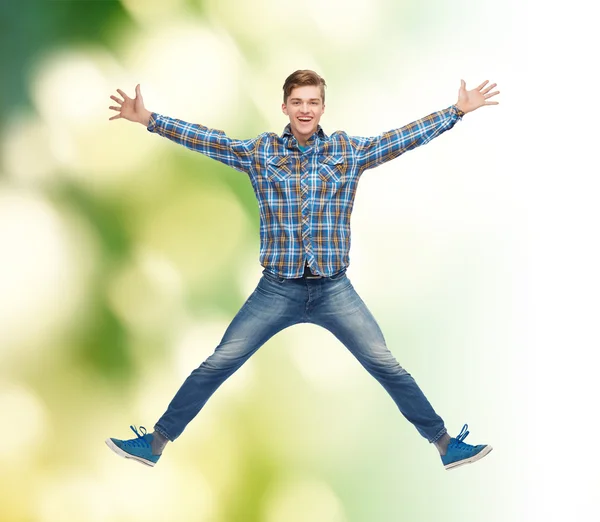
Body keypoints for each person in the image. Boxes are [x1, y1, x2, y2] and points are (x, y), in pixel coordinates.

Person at [105, 70, 499, 471]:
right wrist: (151, 120)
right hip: (277, 290)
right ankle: (154, 444)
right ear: (285, 107)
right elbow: (208, 139)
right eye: (297, 102)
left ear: (322, 108)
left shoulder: (348, 151)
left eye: (312, 102)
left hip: (334, 290)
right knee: (219, 362)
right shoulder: (260, 153)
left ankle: (446, 445)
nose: (305, 110)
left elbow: (399, 139)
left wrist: (456, 112)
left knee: (386, 365)